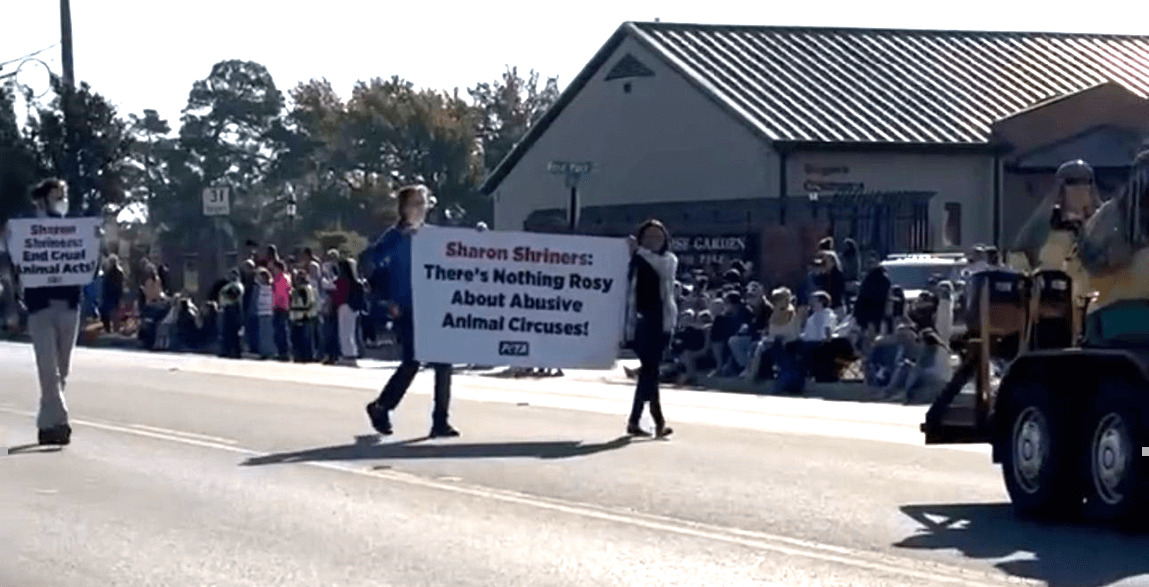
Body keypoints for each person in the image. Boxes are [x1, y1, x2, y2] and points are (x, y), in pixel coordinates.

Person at [365, 184, 459, 438]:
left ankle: (440, 420)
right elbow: (375, 261)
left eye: (424, 202)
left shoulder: (432, 235)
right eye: (415, 203)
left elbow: (459, 254)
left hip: (434, 305)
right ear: (404, 208)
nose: (421, 207)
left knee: (443, 364)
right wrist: (388, 301)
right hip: (407, 307)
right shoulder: (394, 236)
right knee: (412, 362)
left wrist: (480, 237)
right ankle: (382, 406)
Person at [1, 179, 89, 445]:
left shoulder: (74, 226)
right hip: (40, 307)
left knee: (62, 369)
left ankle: (46, 424)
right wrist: (12, 305)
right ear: (41, 200)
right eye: (57, 196)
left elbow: (87, 262)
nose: (62, 200)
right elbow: (7, 269)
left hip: (70, 305)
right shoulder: (22, 228)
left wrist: (93, 244)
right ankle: (60, 421)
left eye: (64, 195)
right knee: (47, 368)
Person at [622, 219, 678, 438]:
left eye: (659, 236)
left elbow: (660, 268)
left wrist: (637, 252)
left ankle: (638, 421)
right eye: (649, 236)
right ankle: (656, 422)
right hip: (642, 322)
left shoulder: (668, 261)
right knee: (650, 370)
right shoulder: (635, 260)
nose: (654, 240)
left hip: (662, 321)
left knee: (650, 372)